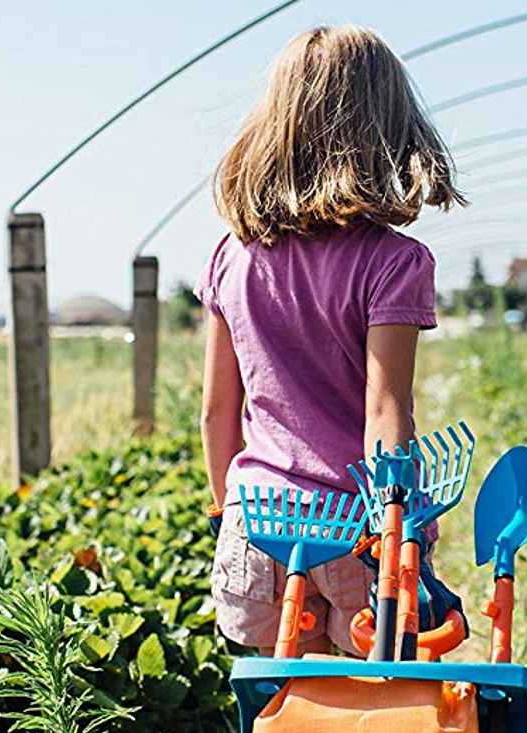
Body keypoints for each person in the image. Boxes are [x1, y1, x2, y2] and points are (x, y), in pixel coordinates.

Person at [198, 24, 462, 656]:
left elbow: (215, 413)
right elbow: (384, 409)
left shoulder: (231, 259)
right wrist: (396, 525)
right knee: (368, 714)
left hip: (257, 524)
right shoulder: (393, 262)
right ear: (389, 130)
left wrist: (227, 514)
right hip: (357, 526)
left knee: (284, 707)